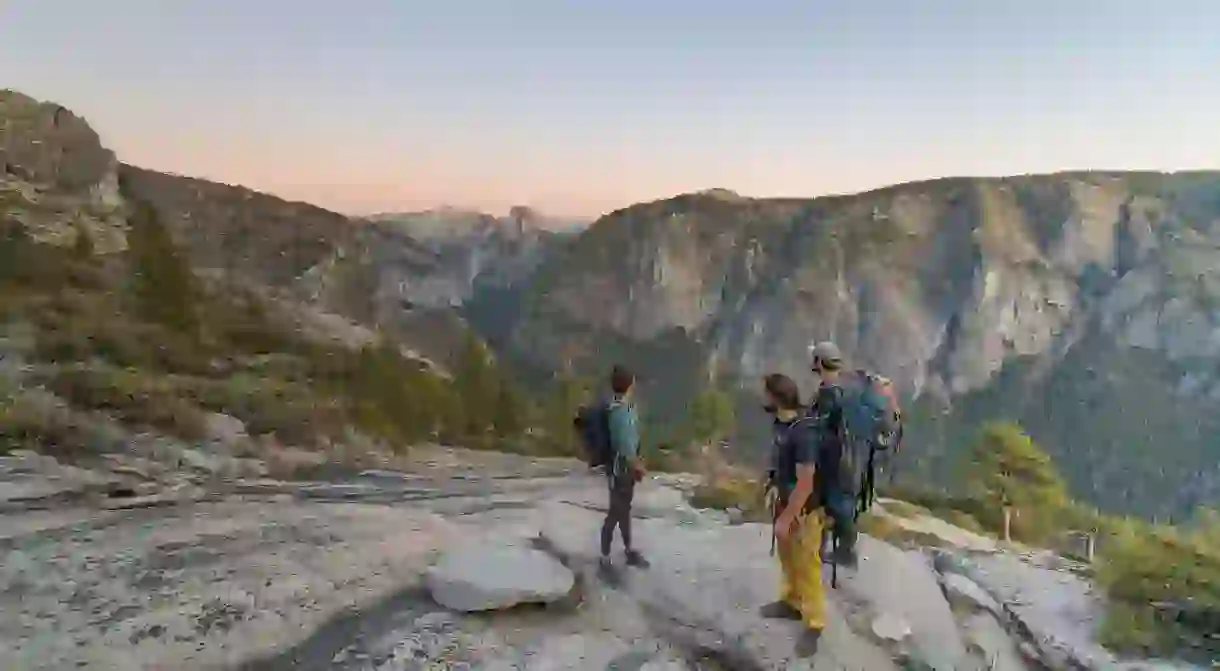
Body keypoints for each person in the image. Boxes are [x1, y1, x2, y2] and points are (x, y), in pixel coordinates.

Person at [757, 372, 825, 658]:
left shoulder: (803, 432)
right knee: (787, 556)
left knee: (807, 563)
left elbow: (806, 481)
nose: (763, 398)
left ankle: (815, 624)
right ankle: (792, 602)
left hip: (806, 509)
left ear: (776, 397)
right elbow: (779, 461)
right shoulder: (781, 424)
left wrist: (788, 517)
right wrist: (772, 485)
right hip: (784, 502)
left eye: (766, 394)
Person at [808, 341, 858, 568]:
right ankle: (839, 550)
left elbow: (820, 425)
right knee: (836, 505)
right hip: (847, 458)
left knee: (833, 504)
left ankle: (843, 553)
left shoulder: (829, 392)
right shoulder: (845, 389)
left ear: (820, 362)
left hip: (833, 459)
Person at [600, 364, 650, 569]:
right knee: (616, 512)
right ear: (630, 384)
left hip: (621, 470)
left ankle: (627, 550)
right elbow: (625, 445)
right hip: (621, 470)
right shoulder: (622, 412)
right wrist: (638, 466)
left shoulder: (618, 408)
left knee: (622, 511)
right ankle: (606, 556)